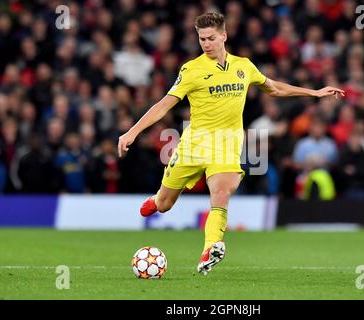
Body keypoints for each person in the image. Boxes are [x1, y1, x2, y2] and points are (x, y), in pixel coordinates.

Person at [117, 12, 345, 275]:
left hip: (226, 145)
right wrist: (132, 132)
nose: (206, 43)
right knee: (166, 204)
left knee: (221, 194)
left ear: (223, 36)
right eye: (202, 39)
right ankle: (157, 200)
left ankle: (210, 248)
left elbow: (274, 88)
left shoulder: (243, 66)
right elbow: (164, 106)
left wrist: (314, 92)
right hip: (194, 144)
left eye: (211, 38)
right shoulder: (191, 70)